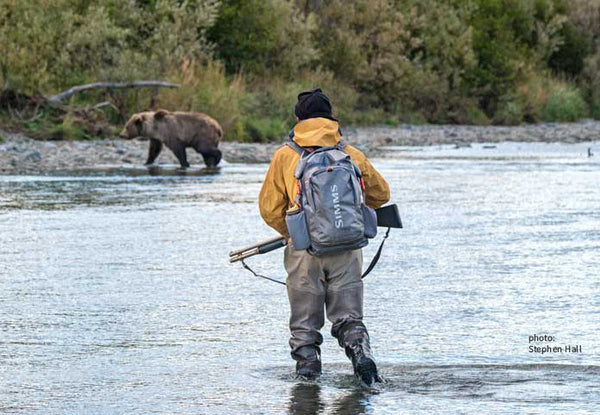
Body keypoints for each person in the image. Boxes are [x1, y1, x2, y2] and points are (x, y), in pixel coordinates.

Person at [258, 88, 390, 385]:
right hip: (347, 248)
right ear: (331, 118)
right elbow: (381, 195)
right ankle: (361, 356)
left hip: (304, 251)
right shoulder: (349, 153)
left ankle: (307, 383)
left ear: (297, 119)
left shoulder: (284, 156)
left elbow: (268, 209)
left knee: (305, 326)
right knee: (349, 318)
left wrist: (293, 234)